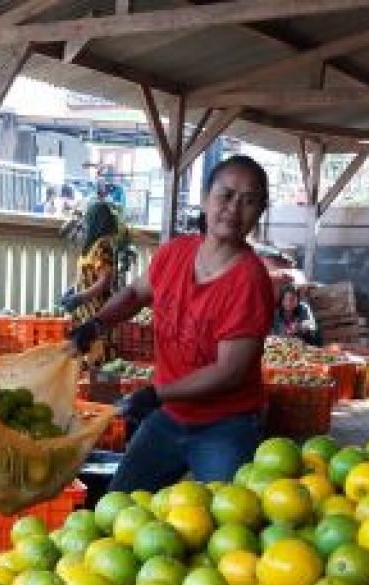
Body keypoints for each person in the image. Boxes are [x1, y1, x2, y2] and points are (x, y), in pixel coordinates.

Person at [69, 154, 273, 492]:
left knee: (231, 521)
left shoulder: (250, 281)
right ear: (206, 199)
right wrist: (96, 325)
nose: (234, 209)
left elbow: (229, 371)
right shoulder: (175, 253)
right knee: (117, 507)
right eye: (226, 195)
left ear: (259, 214)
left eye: (248, 201)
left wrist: (155, 394)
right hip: (171, 415)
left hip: (226, 424)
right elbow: (135, 293)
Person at [58, 196, 119, 326]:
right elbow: (87, 277)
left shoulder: (103, 245)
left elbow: (104, 281)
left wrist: (81, 297)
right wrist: (73, 290)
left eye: (89, 219)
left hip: (97, 313)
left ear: (96, 221)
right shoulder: (92, 245)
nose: (86, 223)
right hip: (84, 313)